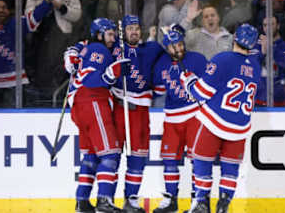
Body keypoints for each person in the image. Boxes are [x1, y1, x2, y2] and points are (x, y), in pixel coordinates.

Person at [179, 23, 261, 213]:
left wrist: (188, 82)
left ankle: (200, 202)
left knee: (201, 161)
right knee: (230, 169)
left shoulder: (223, 59)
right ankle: (223, 205)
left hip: (214, 122)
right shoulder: (255, 67)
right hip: (240, 127)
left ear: (235, 38)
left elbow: (200, 92)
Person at [67, 18, 130, 213]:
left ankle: (82, 201)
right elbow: (93, 77)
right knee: (110, 153)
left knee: (91, 156)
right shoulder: (99, 50)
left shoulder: (87, 48)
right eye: (110, 34)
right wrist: (114, 71)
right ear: (99, 34)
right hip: (93, 101)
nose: (113, 38)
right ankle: (104, 200)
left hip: (80, 106)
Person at [111, 15, 164, 212]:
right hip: (119, 108)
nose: (133, 31)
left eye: (136, 28)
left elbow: (171, 46)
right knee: (112, 157)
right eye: (129, 28)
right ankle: (106, 199)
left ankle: (131, 199)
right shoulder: (115, 48)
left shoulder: (150, 50)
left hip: (140, 111)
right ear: (122, 32)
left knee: (138, 158)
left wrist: (182, 23)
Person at [151, 28, 207, 213]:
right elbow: (158, 91)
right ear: (167, 48)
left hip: (194, 116)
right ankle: (171, 199)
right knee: (169, 160)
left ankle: (196, 200)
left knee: (196, 159)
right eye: (174, 46)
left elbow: (208, 86)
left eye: (181, 44)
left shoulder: (197, 60)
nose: (179, 49)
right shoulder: (161, 64)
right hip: (172, 118)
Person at [0, 0, 52, 107]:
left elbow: (36, 15)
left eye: (4, 7)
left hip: (14, 82)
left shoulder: (17, 23)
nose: (1, 10)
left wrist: (47, 0)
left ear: (8, 10)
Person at [252, 16, 285, 107]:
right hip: (257, 99)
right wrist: (262, 53)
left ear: (278, 26)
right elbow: (250, 64)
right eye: (265, 25)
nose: (268, 28)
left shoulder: (284, 46)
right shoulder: (256, 45)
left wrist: (271, 48)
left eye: (271, 24)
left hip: (278, 100)